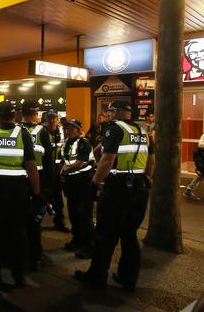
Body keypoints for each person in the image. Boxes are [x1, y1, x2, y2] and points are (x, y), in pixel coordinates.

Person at [74, 101, 154, 291]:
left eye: (109, 111)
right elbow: (151, 160)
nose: (108, 115)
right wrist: (147, 177)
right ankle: (128, 278)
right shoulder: (143, 131)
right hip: (139, 187)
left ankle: (96, 277)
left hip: (118, 188)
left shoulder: (114, 128)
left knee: (105, 234)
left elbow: (107, 160)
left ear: (117, 111)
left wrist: (94, 183)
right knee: (129, 235)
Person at [0, 100, 40, 287]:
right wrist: (37, 193)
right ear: (15, 115)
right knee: (17, 234)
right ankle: (18, 275)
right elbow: (31, 165)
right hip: (17, 192)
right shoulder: (23, 133)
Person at [20, 99, 52, 271]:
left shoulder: (16, 130)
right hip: (38, 181)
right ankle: (34, 257)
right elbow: (48, 162)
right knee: (34, 223)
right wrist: (49, 189)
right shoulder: (42, 132)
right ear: (35, 113)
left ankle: (20, 256)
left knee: (20, 222)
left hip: (19, 183)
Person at [59, 119, 95, 259]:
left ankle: (88, 243)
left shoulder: (84, 143)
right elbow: (66, 161)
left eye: (70, 128)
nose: (67, 130)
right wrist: (64, 169)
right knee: (74, 213)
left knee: (84, 214)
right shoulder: (67, 143)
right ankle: (77, 239)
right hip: (71, 182)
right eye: (66, 128)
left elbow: (79, 164)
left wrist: (65, 171)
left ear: (78, 130)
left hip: (83, 181)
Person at [44, 110, 69, 233]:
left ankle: (59, 222)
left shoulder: (62, 131)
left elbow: (64, 148)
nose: (52, 120)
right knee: (42, 195)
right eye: (49, 117)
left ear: (57, 119)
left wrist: (63, 163)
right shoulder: (41, 131)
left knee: (58, 196)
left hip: (57, 168)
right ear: (45, 118)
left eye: (54, 117)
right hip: (44, 169)